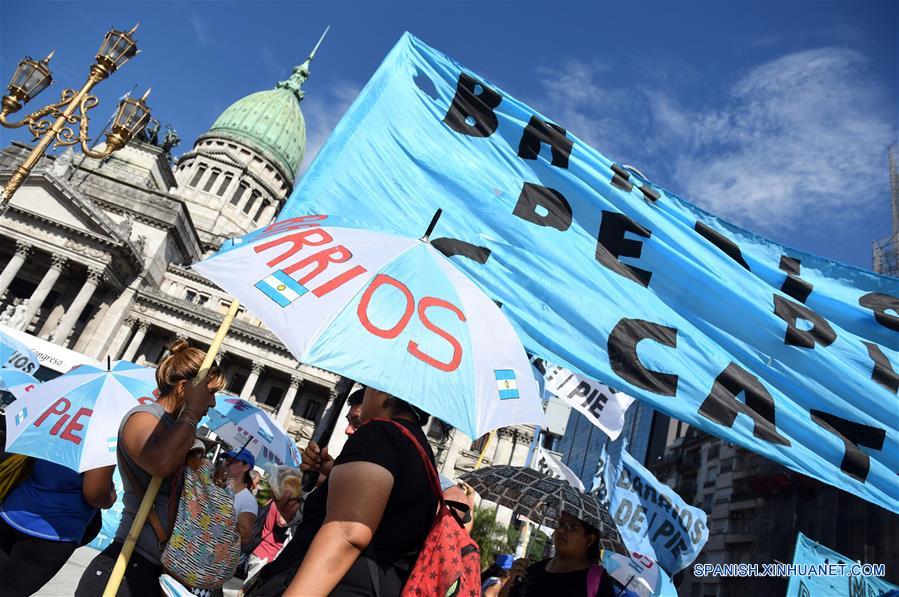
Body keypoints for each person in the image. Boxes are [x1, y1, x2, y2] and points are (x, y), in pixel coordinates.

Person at [247, 386, 437, 596]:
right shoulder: (422, 454)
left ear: (384, 392)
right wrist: (333, 473)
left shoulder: (380, 433)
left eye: (368, 388)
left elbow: (347, 533)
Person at [75, 340, 224, 597]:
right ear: (184, 388)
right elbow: (160, 463)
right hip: (126, 566)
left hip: (164, 572)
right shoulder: (143, 417)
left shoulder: (182, 429)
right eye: (209, 393)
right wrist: (191, 410)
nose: (212, 403)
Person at [0, 459, 115, 596]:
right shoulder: (102, 442)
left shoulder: (48, 436)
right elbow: (95, 494)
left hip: (12, 511)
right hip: (51, 531)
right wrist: (110, 498)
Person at [500, 511, 617, 597]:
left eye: (570, 526)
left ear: (590, 540)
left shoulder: (597, 581)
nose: (560, 530)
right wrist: (512, 578)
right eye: (560, 524)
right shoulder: (536, 569)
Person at [219, 448, 259, 548]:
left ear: (245, 467)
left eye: (233, 460)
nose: (227, 463)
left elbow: (245, 538)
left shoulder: (248, 501)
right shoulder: (220, 487)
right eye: (227, 459)